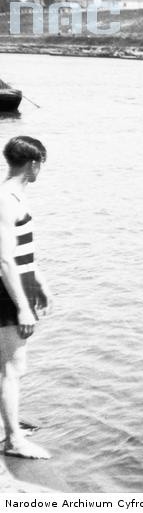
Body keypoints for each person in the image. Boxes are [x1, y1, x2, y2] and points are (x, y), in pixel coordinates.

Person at [0, 137, 52, 460]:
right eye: (41, 164)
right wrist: (22, 308)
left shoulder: (14, 196)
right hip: (8, 293)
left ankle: (9, 424)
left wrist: (40, 281)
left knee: (7, 364)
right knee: (12, 367)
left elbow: (21, 252)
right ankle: (14, 439)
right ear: (33, 163)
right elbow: (4, 260)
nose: (41, 170)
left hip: (20, 285)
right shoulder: (7, 200)